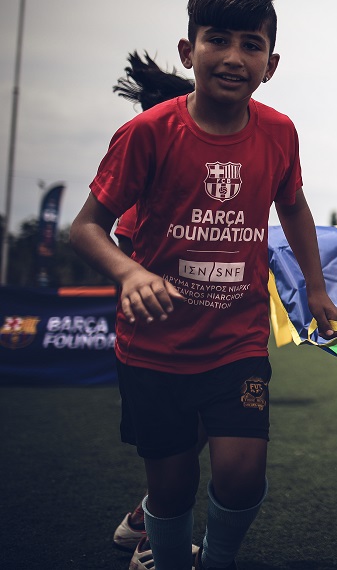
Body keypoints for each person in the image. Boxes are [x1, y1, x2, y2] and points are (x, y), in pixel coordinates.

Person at [71, 0, 337, 570]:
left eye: (251, 44)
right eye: (218, 39)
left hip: (235, 341)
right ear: (188, 51)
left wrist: (316, 288)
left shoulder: (280, 132)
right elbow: (85, 227)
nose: (234, 56)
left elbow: (291, 204)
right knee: (168, 490)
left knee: (242, 476)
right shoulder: (146, 133)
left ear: (270, 63)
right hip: (154, 350)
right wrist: (130, 273)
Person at [107, 52, 203, 563]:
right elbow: (118, 245)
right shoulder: (143, 177)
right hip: (158, 346)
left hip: (212, 339)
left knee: (202, 436)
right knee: (175, 452)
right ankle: (150, 545)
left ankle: (141, 520)